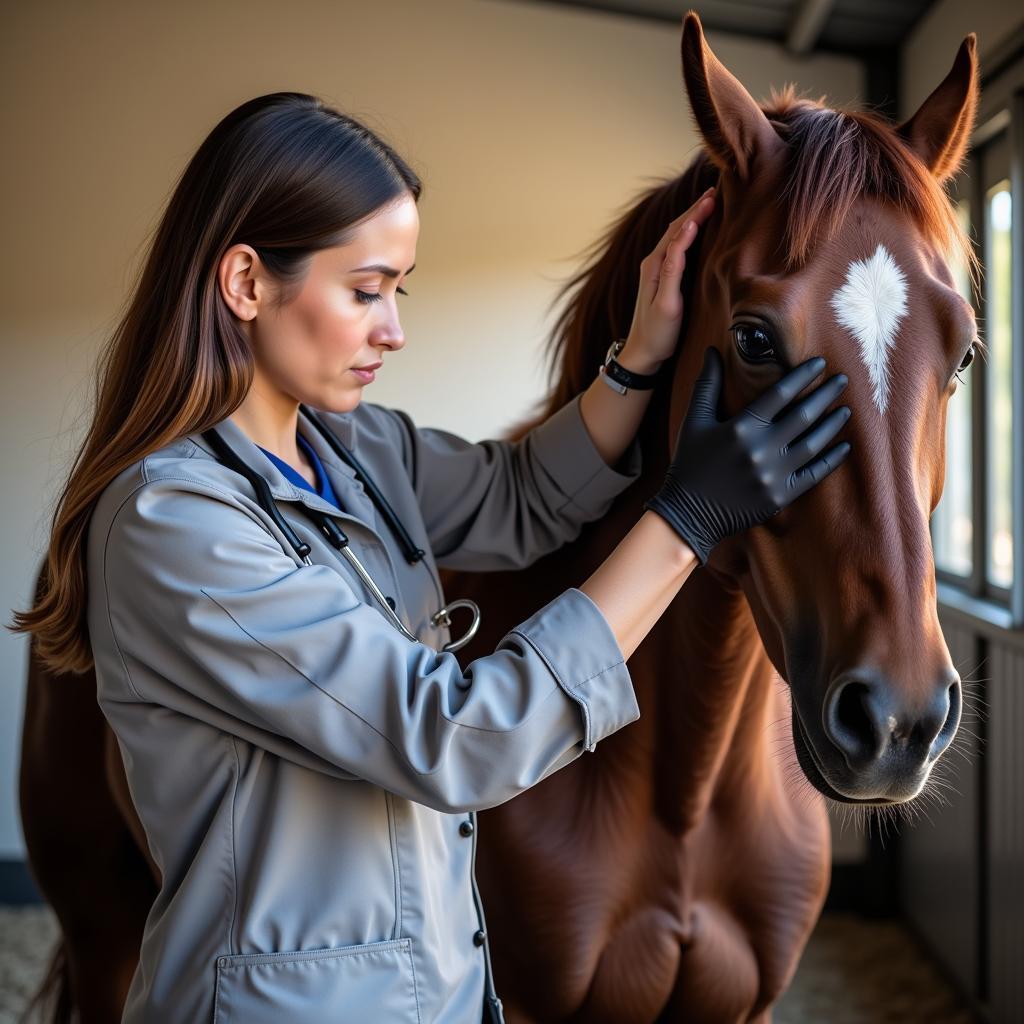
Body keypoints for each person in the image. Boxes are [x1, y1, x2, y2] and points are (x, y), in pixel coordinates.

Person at [9, 93, 851, 1023]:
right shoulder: (175, 524)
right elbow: (454, 738)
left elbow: (526, 496)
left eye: (398, 292)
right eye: (366, 291)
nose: (393, 329)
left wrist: (644, 355)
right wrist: (689, 518)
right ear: (245, 282)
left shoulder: (354, 449)